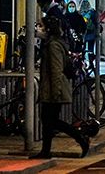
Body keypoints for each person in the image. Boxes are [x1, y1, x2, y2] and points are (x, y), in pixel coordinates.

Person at [33, 17, 88, 158]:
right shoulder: (51, 43)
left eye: (40, 26)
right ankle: (46, 151)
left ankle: (80, 137)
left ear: (48, 29)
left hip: (53, 89)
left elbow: (56, 70)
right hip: (51, 88)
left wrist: (56, 92)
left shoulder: (53, 46)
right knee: (48, 121)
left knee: (50, 120)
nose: (37, 29)